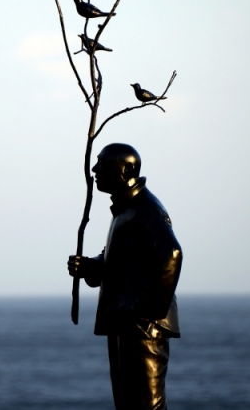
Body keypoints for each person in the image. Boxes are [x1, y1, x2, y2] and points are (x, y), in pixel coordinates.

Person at [68, 143, 183, 410]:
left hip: (142, 326)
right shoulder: (127, 208)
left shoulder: (145, 209)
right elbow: (119, 261)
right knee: (129, 403)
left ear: (127, 170)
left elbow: (172, 253)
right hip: (126, 322)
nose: (95, 169)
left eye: (103, 164)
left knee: (146, 404)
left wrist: (147, 311)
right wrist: (90, 267)